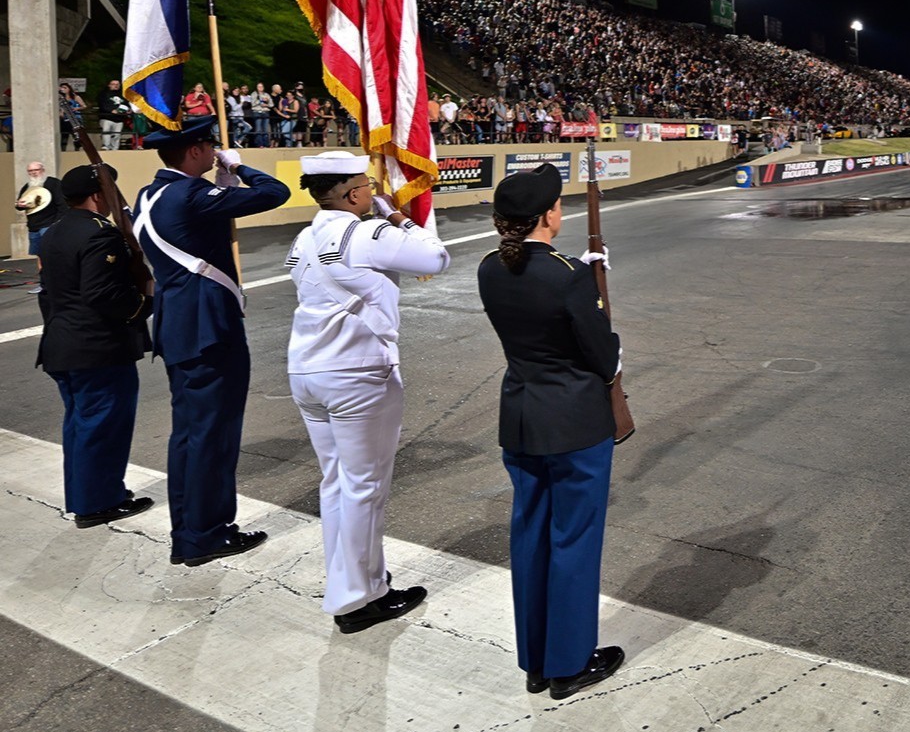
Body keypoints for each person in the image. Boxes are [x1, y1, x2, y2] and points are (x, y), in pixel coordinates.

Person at [476, 162, 625, 700]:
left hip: (521, 419)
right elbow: (600, 354)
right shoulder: (569, 276)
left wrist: (581, 277)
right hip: (575, 423)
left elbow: (535, 297)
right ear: (547, 216)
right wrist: (590, 288)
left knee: (532, 538)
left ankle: (537, 661)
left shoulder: (490, 267)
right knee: (574, 541)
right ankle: (569, 663)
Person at [286, 152, 451, 633]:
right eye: (368, 186)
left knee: (337, 484)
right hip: (357, 373)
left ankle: (353, 583)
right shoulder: (368, 232)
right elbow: (436, 257)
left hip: (307, 371)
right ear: (356, 194)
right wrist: (398, 216)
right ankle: (359, 598)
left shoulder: (302, 237)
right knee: (364, 488)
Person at [132, 115, 290, 566]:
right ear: (196, 152)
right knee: (213, 436)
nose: (214, 152)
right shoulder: (190, 193)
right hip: (208, 330)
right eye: (210, 148)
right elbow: (275, 194)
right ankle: (207, 533)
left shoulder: (150, 195)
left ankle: (189, 531)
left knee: (188, 435)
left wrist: (220, 183)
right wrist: (238, 170)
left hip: (179, 328)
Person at [36, 163, 154, 529]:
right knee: (104, 426)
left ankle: (92, 493)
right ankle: (97, 503)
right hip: (97, 348)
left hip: (62, 343)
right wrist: (143, 304)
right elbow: (102, 293)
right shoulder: (101, 234)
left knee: (81, 426)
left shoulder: (53, 232)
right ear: (98, 195)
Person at [16, 161, 68, 289]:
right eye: (30, 171)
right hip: (34, 226)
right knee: (40, 255)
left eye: (36, 170)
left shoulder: (53, 184)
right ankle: (44, 283)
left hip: (49, 224)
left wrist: (57, 222)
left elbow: (62, 205)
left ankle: (57, 283)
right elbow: (20, 205)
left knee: (51, 254)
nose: (34, 173)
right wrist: (19, 205)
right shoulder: (27, 187)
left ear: (42, 170)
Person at [98, 80, 133, 152]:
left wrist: (128, 110)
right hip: (107, 117)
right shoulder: (104, 94)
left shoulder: (122, 95)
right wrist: (111, 110)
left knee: (117, 135)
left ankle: (115, 149)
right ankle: (106, 146)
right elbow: (102, 104)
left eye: (117, 84)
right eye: (113, 84)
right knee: (106, 132)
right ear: (109, 85)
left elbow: (127, 104)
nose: (115, 85)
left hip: (119, 118)